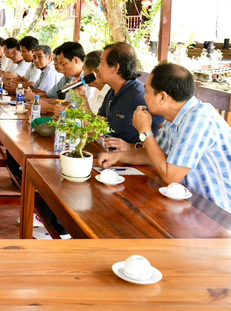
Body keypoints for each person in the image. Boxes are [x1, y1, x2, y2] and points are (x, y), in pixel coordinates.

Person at [99, 62, 231, 213]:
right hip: (187, 205)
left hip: (217, 216)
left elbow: (171, 176)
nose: (144, 96)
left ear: (162, 97)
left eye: (147, 91)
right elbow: (154, 155)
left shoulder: (199, 118)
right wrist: (118, 156)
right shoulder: (175, 117)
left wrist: (145, 131)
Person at [89, 43, 164, 148]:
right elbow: (94, 127)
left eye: (101, 63)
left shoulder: (140, 96)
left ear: (115, 67)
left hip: (136, 163)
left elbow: (165, 137)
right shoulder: (112, 91)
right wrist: (82, 97)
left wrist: (130, 147)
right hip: (112, 157)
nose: (98, 68)